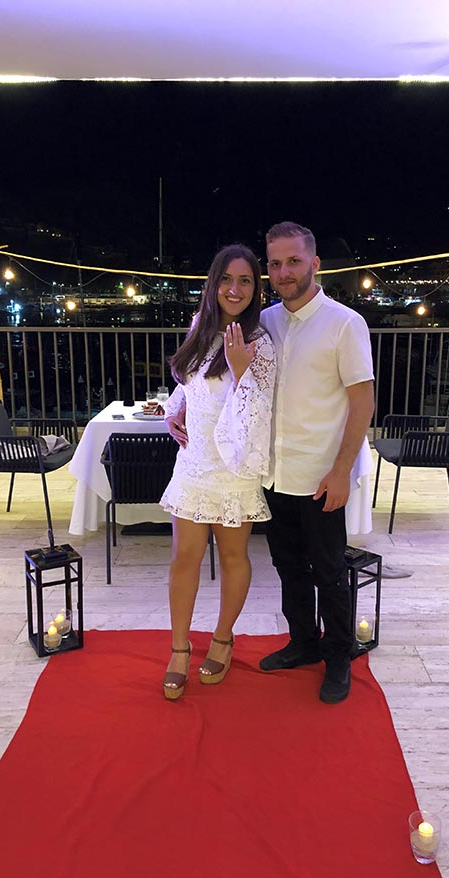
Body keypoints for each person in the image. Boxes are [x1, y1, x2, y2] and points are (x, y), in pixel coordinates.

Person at [259, 221, 375, 704]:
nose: (284, 272)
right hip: (274, 473)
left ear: (315, 263)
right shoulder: (265, 321)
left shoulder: (345, 323)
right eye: (275, 264)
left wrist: (342, 470)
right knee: (288, 568)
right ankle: (303, 643)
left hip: (321, 475)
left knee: (329, 572)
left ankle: (338, 657)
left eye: (293, 261)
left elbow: (363, 402)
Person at [160, 244, 276, 701]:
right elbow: (189, 382)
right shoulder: (201, 326)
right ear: (214, 283)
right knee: (183, 559)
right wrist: (174, 410)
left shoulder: (259, 342)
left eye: (245, 280)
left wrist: (243, 372)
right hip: (193, 464)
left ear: (255, 288)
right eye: (226, 278)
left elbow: (258, 419)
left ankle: (223, 639)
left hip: (233, 468)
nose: (234, 288)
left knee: (232, 557)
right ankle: (178, 649)